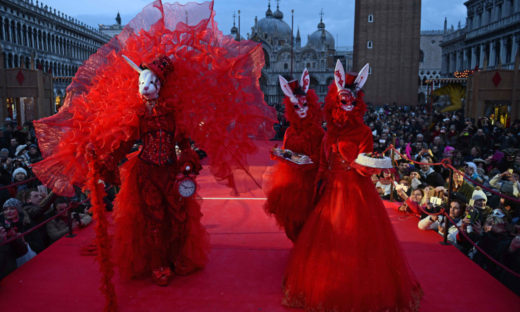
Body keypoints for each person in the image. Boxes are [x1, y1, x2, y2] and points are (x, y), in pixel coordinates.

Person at [31, 0, 273, 295]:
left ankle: (174, 256)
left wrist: (186, 162)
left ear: (161, 86)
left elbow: (185, 143)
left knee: (178, 215)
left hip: (171, 173)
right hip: (145, 173)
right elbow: (123, 142)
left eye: (153, 83)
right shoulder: (137, 117)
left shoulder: (174, 115)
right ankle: (159, 262)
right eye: (143, 83)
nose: (147, 88)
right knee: (155, 218)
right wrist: (102, 155)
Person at [282, 61, 422, 311]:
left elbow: (365, 166)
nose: (347, 105)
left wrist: (356, 162)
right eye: (343, 100)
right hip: (332, 191)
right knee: (330, 239)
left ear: (358, 103)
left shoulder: (364, 132)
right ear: (335, 102)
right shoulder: (329, 133)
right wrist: (317, 186)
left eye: (352, 101)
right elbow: (324, 165)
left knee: (358, 238)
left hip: (356, 191)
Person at [264, 69, 324, 242]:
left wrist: (307, 162)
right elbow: (286, 151)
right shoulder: (289, 131)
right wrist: (279, 155)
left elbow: (322, 158)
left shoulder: (317, 132)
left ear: (311, 105)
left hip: (309, 184)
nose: (301, 110)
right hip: (290, 182)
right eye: (296, 106)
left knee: (307, 222)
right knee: (291, 223)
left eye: (304, 105)